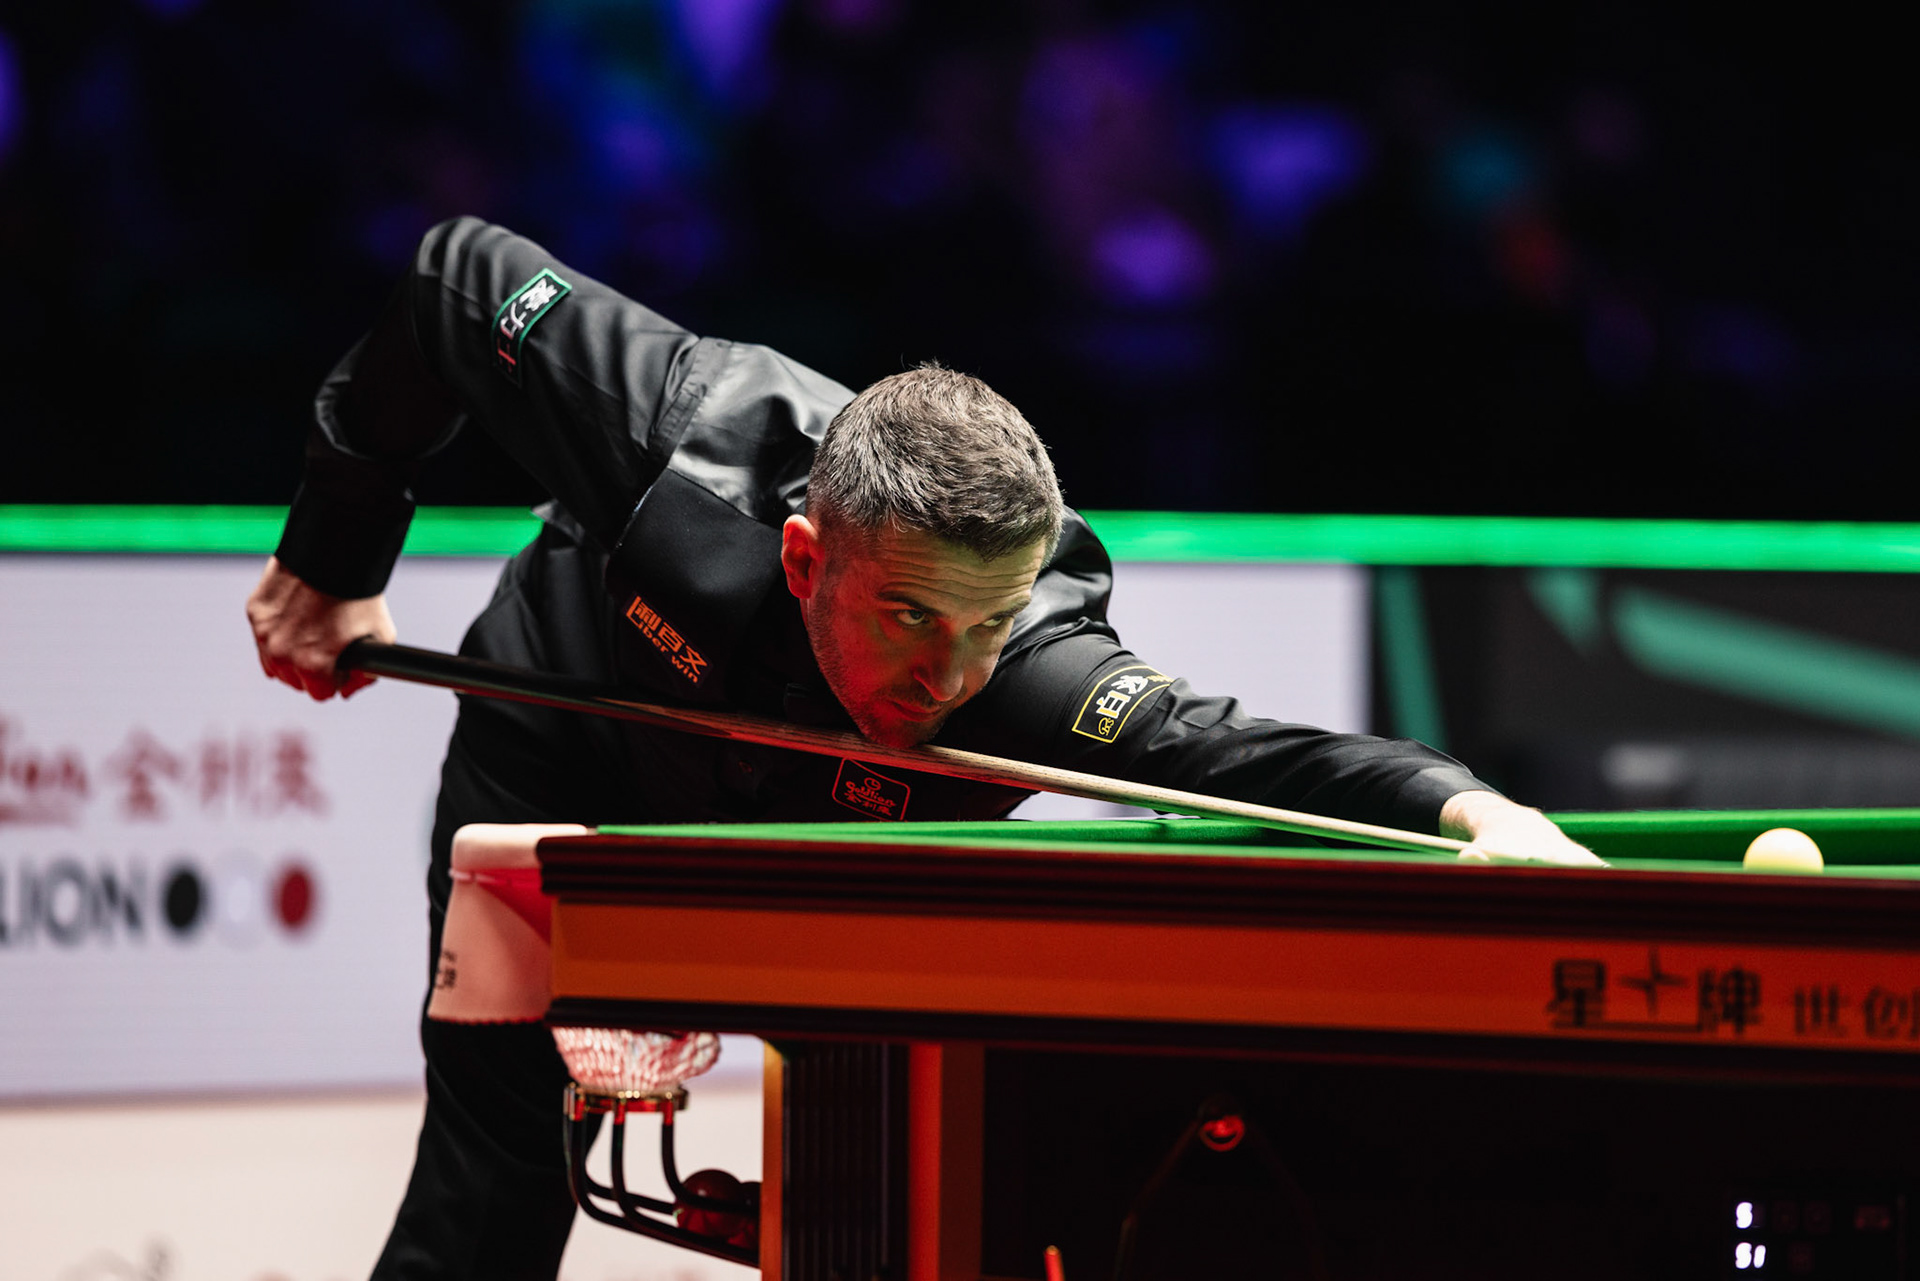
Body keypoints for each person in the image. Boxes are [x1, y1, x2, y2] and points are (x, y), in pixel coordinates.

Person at [246, 216, 1595, 1279]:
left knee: (914, 1169)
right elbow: (454, 280)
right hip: (561, 734)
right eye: (905, 616)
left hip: (822, 851)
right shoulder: (676, 441)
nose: (942, 679)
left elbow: (1231, 752)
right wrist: (333, 551)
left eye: (983, 627)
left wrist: (1464, 806)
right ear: (803, 555)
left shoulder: (1025, 673)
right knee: (499, 1175)